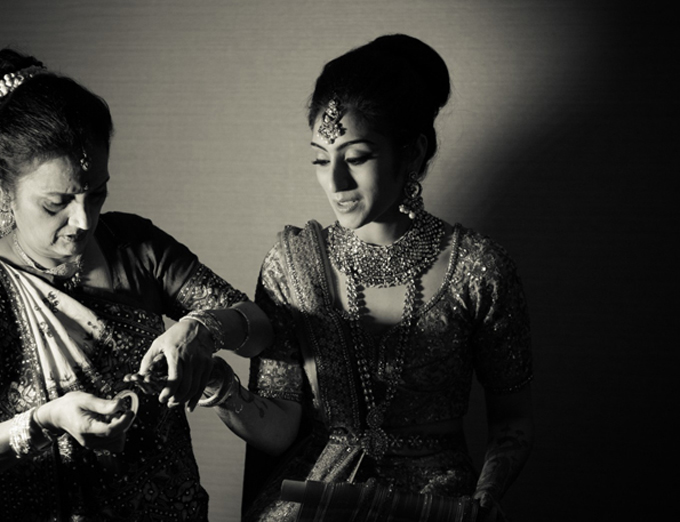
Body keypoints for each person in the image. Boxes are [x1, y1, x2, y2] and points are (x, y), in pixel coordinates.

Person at [0, 48, 271, 522]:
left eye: (96, 193)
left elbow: (258, 326)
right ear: (4, 191)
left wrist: (201, 331)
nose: (83, 220)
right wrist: (45, 422)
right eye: (56, 203)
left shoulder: (134, 245)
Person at [193, 35, 534, 521]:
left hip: (435, 506)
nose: (335, 183)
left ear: (411, 155)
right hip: (314, 498)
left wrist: (486, 496)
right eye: (319, 159)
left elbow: (513, 421)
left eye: (355, 158)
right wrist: (219, 388)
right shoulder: (293, 264)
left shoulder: (479, 269)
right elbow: (280, 425)